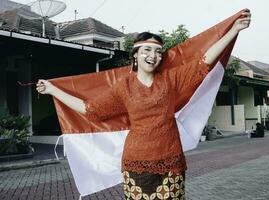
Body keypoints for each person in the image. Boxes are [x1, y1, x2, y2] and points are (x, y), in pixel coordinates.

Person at [36, 10, 251, 200]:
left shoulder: (170, 79)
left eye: (158, 52)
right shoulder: (124, 87)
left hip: (170, 161)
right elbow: (90, 110)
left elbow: (203, 63)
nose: (153, 55)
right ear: (136, 55)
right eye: (147, 50)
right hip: (135, 163)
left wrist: (233, 30)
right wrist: (53, 90)